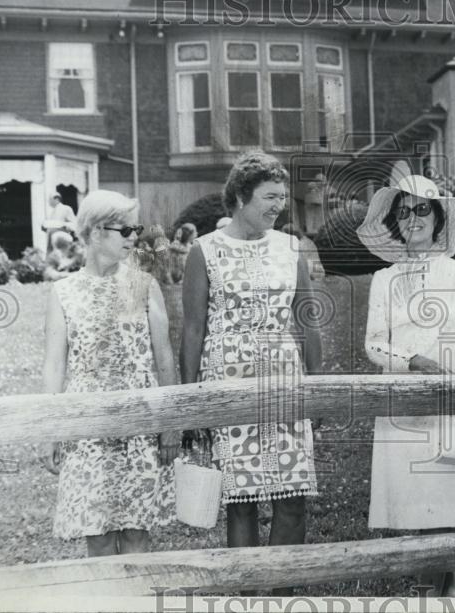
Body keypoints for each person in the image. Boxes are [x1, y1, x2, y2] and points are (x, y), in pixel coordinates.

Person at [180, 152, 321, 596]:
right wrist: (192, 402)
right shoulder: (204, 250)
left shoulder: (289, 248)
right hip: (228, 383)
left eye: (282, 197)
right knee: (241, 501)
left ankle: (281, 596)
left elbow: (307, 320)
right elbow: (192, 328)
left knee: (292, 495)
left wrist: (319, 389)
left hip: (284, 379)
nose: (279, 205)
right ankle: (247, 597)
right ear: (240, 197)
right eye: (269, 197)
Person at [357, 174, 455, 597]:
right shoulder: (384, 279)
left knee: (451, 493)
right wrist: (414, 361)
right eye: (403, 211)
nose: (412, 218)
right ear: (394, 222)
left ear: (438, 218)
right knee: (414, 498)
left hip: (452, 400)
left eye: (422, 209)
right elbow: (373, 344)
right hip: (404, 401)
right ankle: (427, 587)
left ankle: (445, 587)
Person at [41, 189, 179, 557]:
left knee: (136, 533)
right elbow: (54, 364)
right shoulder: (63, 292)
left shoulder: (143, 286)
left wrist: (170, 424)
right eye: (126, 229)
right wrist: (51, 429)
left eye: (136, 227)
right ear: (97, 231)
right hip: (87, 429)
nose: (135, 236)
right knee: (97, 534)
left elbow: (164, 358)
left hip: (140, 425)